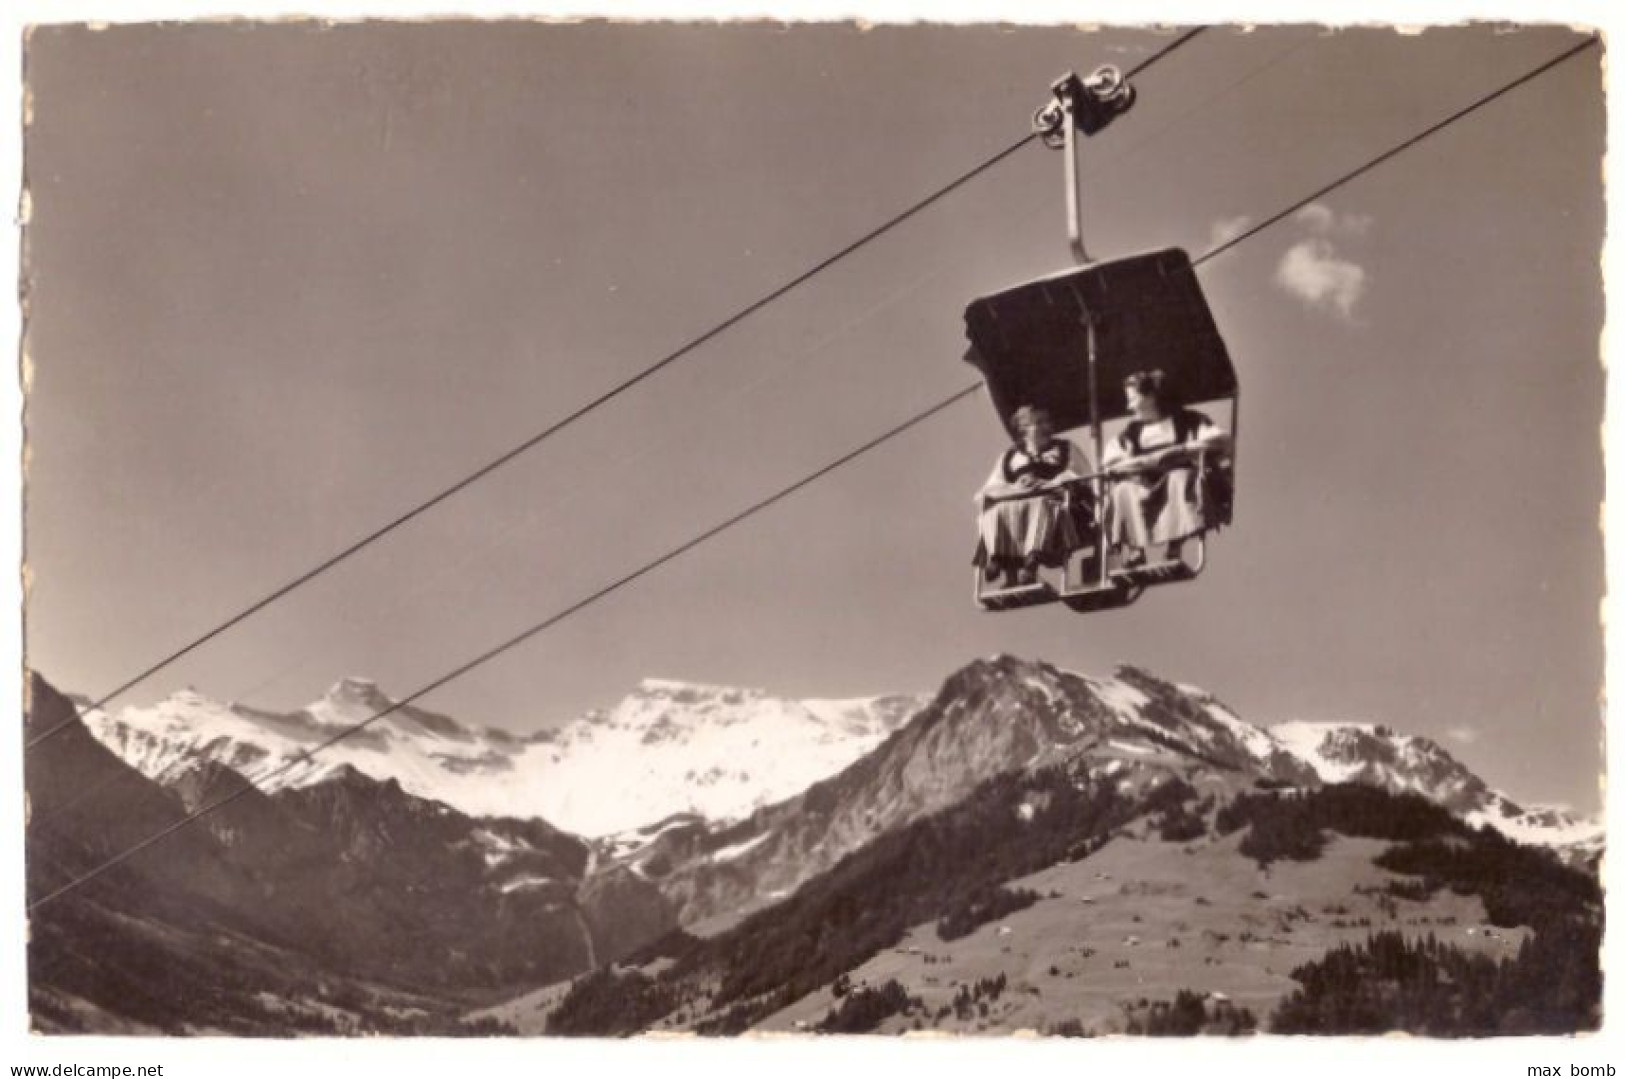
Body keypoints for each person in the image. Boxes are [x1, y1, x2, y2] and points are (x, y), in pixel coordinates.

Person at [1102, 369, 1230, 568]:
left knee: (1179, 478)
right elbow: (1111, 461)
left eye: (1133, 399)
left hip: (1177, 477)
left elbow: (1221, 439)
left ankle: (1174, 546)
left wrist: (1182, 450)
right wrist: (1143, 462)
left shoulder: (1188, 420)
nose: (1129, 406)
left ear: (1151, 397)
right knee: (1122, 490)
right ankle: (1136, 551)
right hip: (1144, 481)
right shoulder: (1132, 432)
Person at [974, 405, 1094, 588]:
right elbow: (990, 487)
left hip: (1061, 511)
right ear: (1024, 429)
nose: (1047, 427)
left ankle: (1031, 564)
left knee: (1041, 505)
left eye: (1047, 421)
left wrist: (1050, 483)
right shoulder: (1010, 457)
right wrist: (1015, 487)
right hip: (1022, 506)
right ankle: (998, 559)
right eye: (1039, 423)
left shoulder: (1065, 449)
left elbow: (1085, 476)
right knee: (993, 511)